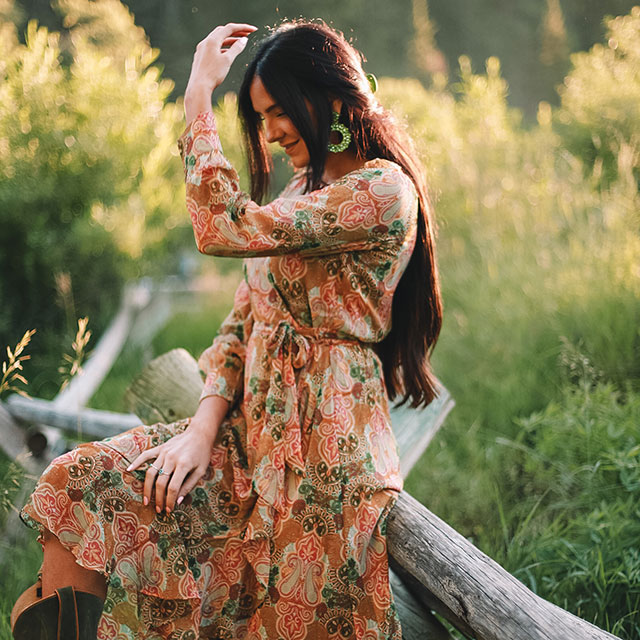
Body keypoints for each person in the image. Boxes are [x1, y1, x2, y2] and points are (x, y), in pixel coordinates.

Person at [11, 19, 442, 640]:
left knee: (284, 626)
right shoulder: (303, 191)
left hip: (325, 455)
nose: (269, 132)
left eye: (278, 113)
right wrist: (200, 432)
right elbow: (243, 322)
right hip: (247, 438)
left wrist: (197, 100)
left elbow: (223, 228)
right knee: (82, 483)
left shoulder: (380, 190)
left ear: (326, 95)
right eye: (261, 117)